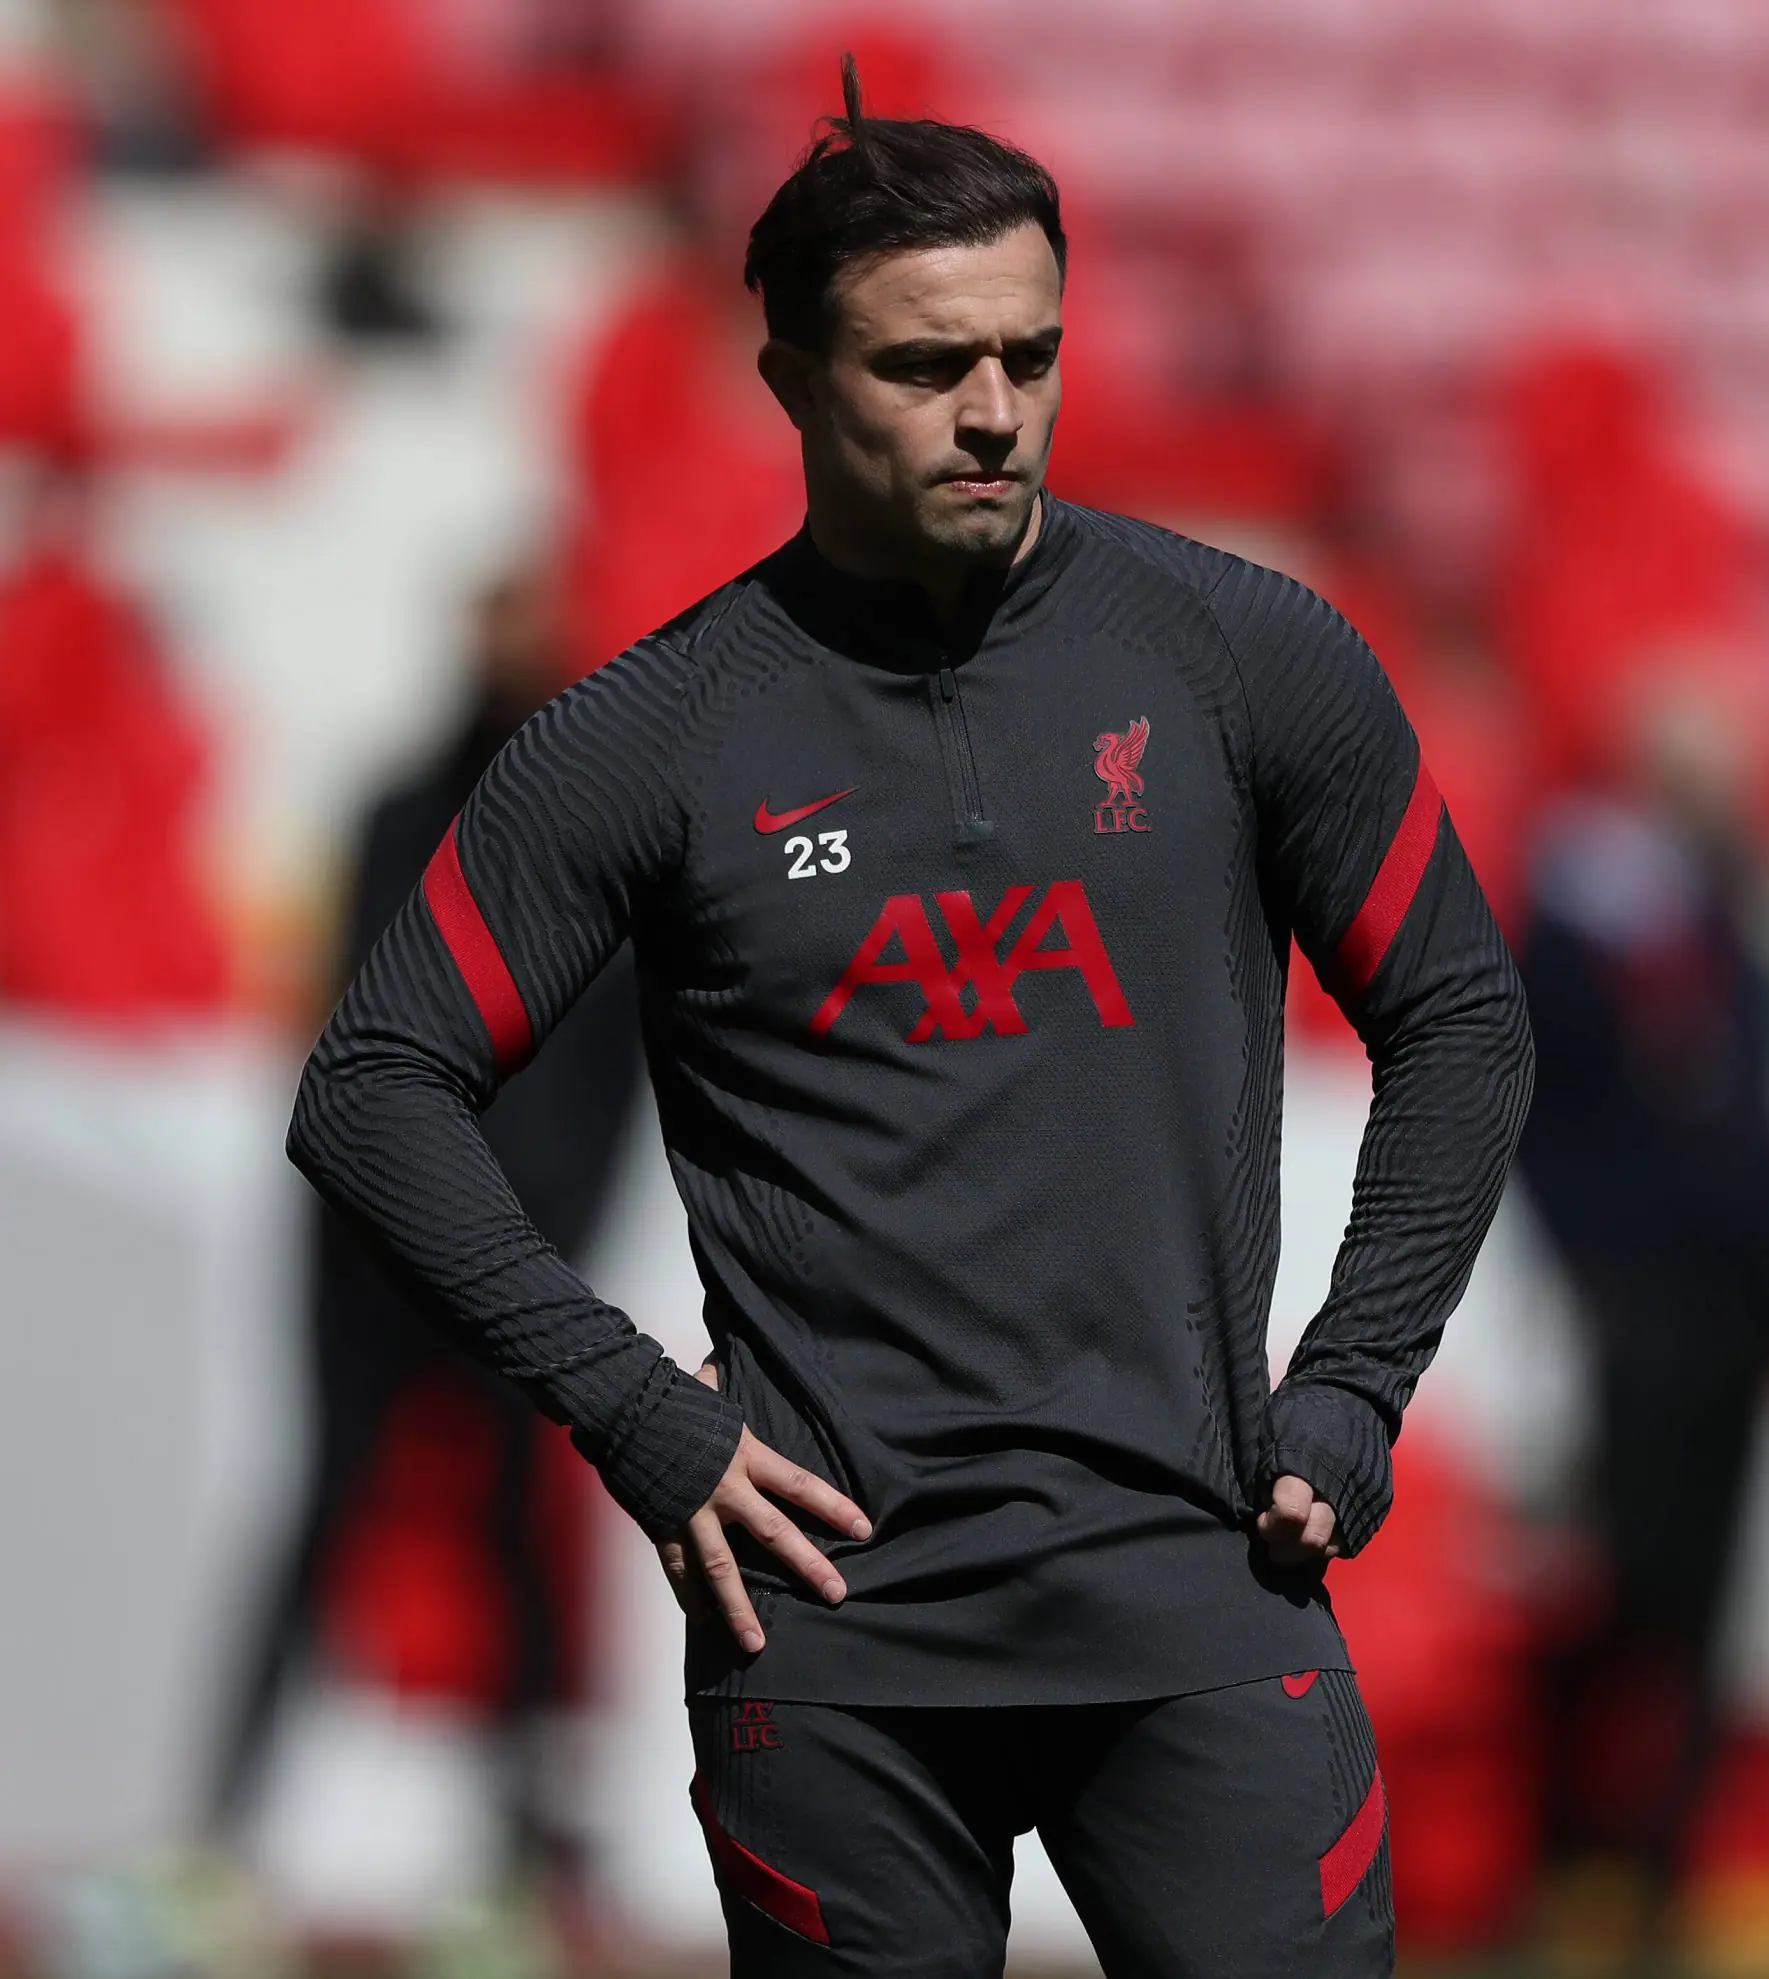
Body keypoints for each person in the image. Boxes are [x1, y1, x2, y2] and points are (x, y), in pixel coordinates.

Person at [286, 60, 1532, 1978]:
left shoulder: (1242, 655)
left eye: (1032, 355)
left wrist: (1357, 1381)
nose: (994, 411)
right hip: (833, 1644)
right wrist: (632, 1408)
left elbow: (1458, 1011)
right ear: (790, 378)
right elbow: (375, 1086)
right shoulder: (654, 735)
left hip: (1205, 1593)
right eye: (925, 365)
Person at [212, 568, 647, 1875]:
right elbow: (344, 1041)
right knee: (328, 1506)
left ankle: (536, 1838)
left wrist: (554, 1246)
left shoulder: (610, 851)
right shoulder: (397, 817)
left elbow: (616, 1084)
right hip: (369, 1250)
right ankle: (229, 1814)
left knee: (520, 1527)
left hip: (515, 1251)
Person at [1511, 675, 1769, 1955]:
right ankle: (1557, 1855)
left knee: (1703, 1603)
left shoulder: (1726, 915)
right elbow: (1541, 1103)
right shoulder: (1586, 911)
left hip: (1733, 1307)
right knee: (1614, 1590)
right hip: (1640, 1309)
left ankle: (1659, 1875)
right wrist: (1599, 1267)